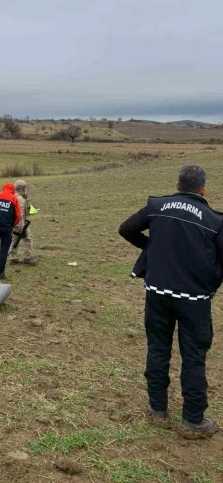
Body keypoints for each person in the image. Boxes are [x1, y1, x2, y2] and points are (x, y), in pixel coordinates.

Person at [119, 164, 223, 438]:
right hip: (195, 299)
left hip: (157, 292)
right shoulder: (215, 221)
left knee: (157, 348)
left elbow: (126, 229)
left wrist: (151, 248)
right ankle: (193, 420)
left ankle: (157, 411)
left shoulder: (158, 206)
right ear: (203, 190)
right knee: (193, 357)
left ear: (177, 185)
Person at [8, 180, 37, 265]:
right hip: (20, 223)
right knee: (28, 238)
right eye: (24, 188)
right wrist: (21, 224)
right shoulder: (20, 199)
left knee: (14, 239)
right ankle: (28, 257)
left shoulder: (13, 196)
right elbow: (20, 213)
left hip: (13, 222)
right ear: (21, 189)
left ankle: (13, 257)